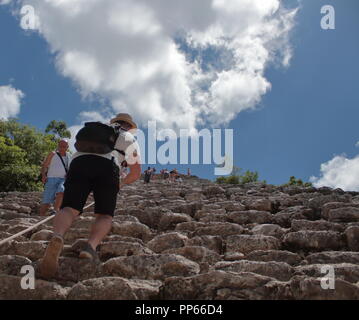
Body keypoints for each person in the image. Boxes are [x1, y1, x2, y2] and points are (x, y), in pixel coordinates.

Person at [40, 113, 141, 279]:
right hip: (109, 167)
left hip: (80, 162)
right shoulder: (128, 137)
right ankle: (90, 247)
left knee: (69, 208)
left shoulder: (99, 130)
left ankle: (57, 237)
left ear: (115, 122)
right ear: (129, 126)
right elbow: (136, 172)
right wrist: (120, 183)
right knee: (105, 214)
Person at [39, 139, 70, 216]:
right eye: (60, 146)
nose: (62, 148)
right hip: (51, 179)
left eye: (64, 146)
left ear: (67, 147)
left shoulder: (69, 156)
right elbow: (44, 165)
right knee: (47, 201)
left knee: (62, 190)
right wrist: (43, 175)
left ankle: (55, 210)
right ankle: (41, 216)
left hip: (63, 179)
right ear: (58, 146)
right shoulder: (53, 154)